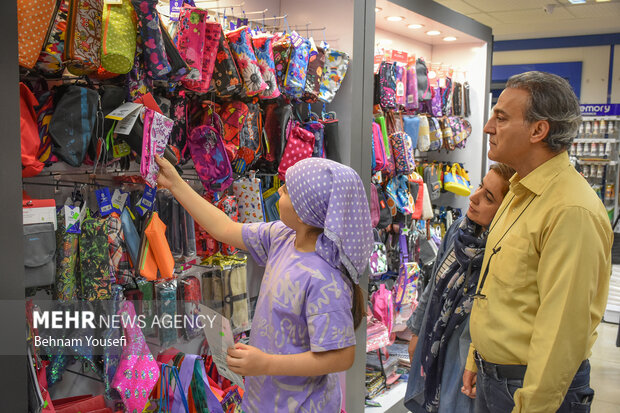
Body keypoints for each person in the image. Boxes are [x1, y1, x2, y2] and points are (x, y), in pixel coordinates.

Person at [156, 156, 373, 412]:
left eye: (287, 191)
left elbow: (341, 356)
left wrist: (266, 363)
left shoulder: (325, 279)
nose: (279, 191)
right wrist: (176, 184)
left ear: (305, 211)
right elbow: (224, 228)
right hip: (263, 399)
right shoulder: (282, 236)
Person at [460, 71, 613, 413]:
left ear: (538, 130)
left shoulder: (570, 210)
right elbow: (498, 289)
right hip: (495, 377)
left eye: (501, 117)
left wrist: (533, 406)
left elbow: (563, 329)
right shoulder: (518, 191)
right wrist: (476, 355)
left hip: (529, 388)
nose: (487, 127)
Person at [404, 163, 515, 413]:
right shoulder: (460, 230)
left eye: (488, 197)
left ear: (507, 211)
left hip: (469, 357)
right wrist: (416, 332)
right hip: (436, 343)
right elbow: (435, 284)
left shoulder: (506, 249)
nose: (473, 198)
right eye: (480, 187)